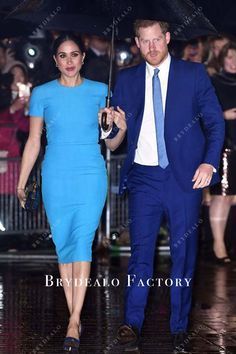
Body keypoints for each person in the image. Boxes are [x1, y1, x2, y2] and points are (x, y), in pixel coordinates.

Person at [102, 20, 225, 352]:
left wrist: (209, 162)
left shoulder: (193, 74)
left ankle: (179, 324)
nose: (153, 47)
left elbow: (214, 122)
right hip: (144, 177)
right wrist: (110, 126)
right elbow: (114, 143)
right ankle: (132, 322)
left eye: (158, 40)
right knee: (141, 253)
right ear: (138, 44)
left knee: (183, 254)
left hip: (184, 176)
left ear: (168, 38)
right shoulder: (126, 81)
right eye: (146, 42)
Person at [16, 33, 126, 352]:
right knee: (64, 245)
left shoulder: (100, 92)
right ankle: (73, 314)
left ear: (83, 58)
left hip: (90, 174)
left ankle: (74, 320)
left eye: (74, 54)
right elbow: (34, 141)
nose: (69, 61)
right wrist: (22, 182)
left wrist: (117, 127)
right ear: (54, 60)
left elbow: (113, 144)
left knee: (82, 242)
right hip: (55, 175)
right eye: (62, 56)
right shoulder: (41, 94)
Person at [209, 42, 236, 264]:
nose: (234, 62)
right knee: (222, 198)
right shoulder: (214, 82)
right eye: (230, 57)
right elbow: (202, 113)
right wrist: (223, 116)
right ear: (222, 59)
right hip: (225, 146)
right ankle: (218, 245)